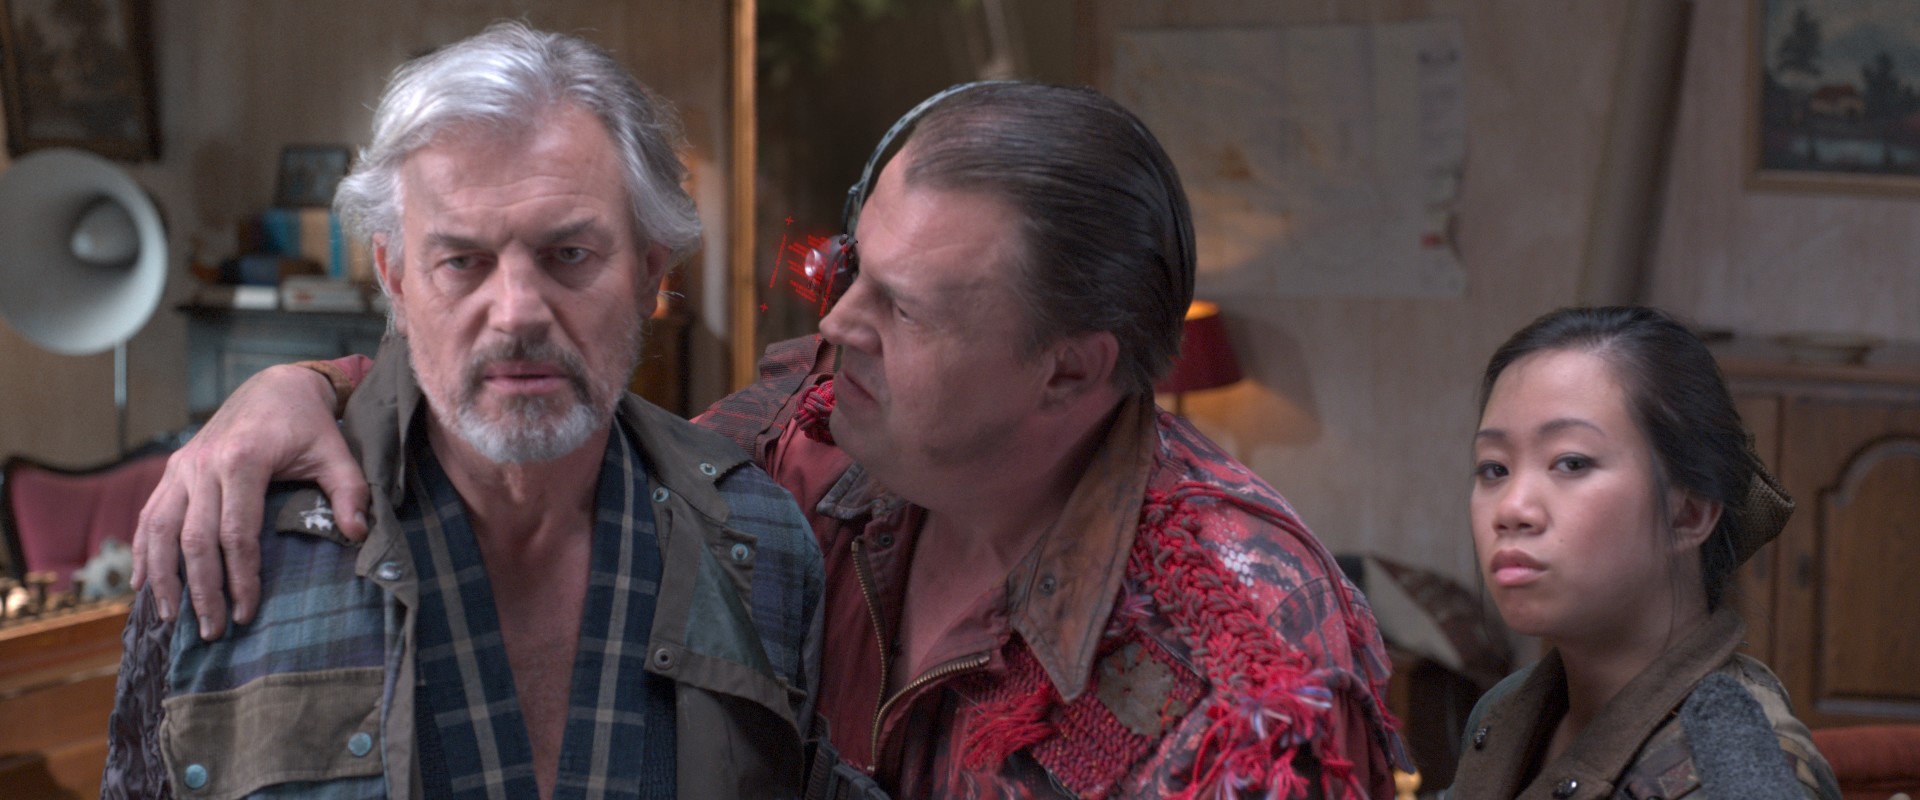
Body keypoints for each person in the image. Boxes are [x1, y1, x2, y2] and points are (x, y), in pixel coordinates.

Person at [132, 82, 1403, 798]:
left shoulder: (1250, 668)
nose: (836, 325)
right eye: (847, 269)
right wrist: (309, 387)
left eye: (903, 308)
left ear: (1070, 367)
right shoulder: (815, 435)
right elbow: (541, 403)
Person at [104, 23, 824, 800]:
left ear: (650, 270)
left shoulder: (763, 541)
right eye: (461, 261)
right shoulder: (228, 531)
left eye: (569, 255)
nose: (516, 313)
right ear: (394, 276)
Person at [1450, 306, 1838, 799]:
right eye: (1494, 468)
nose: (1511, 509)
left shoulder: (1734, 775)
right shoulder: (1502, 713)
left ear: (1688, 514)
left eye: (1571, 462)